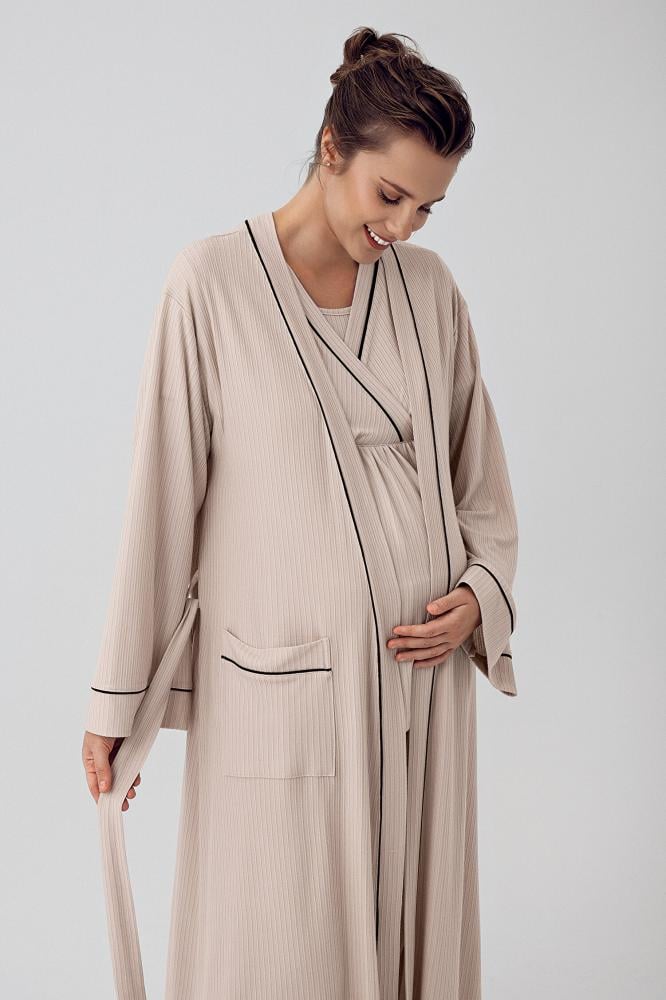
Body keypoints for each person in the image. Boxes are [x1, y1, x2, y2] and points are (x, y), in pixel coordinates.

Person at [81, 25, 519, 1000]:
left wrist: (480, 594)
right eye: (390, 195)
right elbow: (160, 505)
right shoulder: (210, 285)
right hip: (281, 700)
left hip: (422, 703)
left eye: (429, 207)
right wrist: (118, 705)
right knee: (279, 947)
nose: (406, 226)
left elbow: (483, 487)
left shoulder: (431, 293)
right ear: (332, 149)